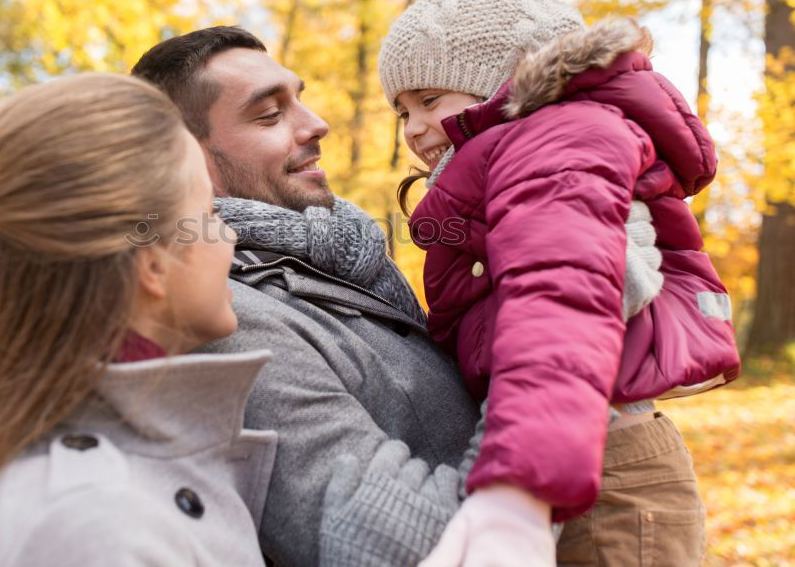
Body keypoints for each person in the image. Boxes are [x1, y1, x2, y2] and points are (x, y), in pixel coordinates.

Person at [132, 28, 668, 566]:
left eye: (299, 98)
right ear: (186, 158)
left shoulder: (347, 266)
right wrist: (552, 325)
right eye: (269, 115)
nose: (316, 124)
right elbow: (403, 546)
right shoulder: (229, 320)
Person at [378, 0, 740, 566]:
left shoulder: (551, 142)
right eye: (401, 110)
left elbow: (560, 293)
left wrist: (519, 489)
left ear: (499, 84)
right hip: (577, 452)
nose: (412, 127)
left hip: (596, 469)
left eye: (430, 100)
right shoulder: (514, 157)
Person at [0, 73, 277, 567]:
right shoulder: (94, 528)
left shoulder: (83, 500)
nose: (229, 237)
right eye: (209, 214)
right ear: (151, 264)